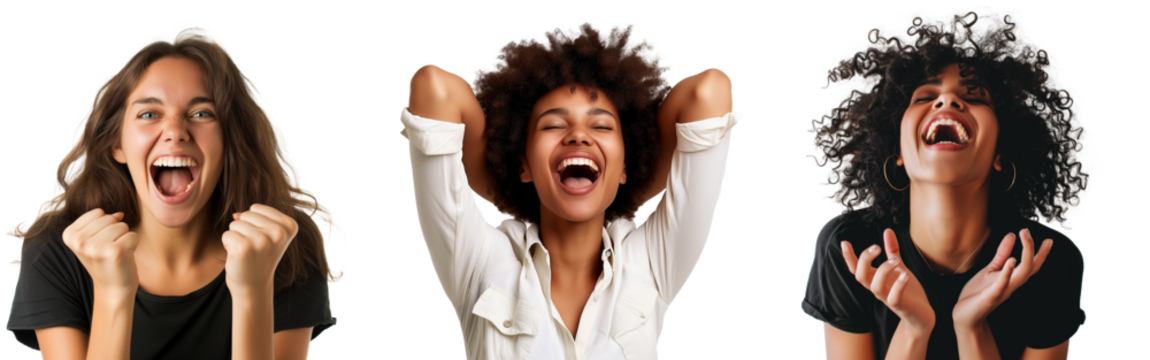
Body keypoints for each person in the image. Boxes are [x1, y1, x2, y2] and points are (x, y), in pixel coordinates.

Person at [4, 21, 348, 359]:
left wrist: (253, 293)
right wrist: (113, 294)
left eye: (201, 113)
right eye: (149, 113)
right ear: (116, 144)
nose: (175, 131)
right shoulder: (56, 249)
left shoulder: (283, 244)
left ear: (230, 143)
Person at [399, 20, 741, 359]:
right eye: (554, 124)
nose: (578, 135)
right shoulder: (479, 263)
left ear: (627, 164)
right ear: (523, 163)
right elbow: (434, 89)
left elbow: (708, 92)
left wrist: (621, 193)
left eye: (601, 125)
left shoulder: (652, 262)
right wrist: (508, 190)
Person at [800, 7, 1094, 360]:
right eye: (925, 96)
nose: (948, 99)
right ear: (897, 152)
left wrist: (972, 326)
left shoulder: (1047, 261)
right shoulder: (851, 248)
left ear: (1001, 152)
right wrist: (914, 328)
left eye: (973, 97)